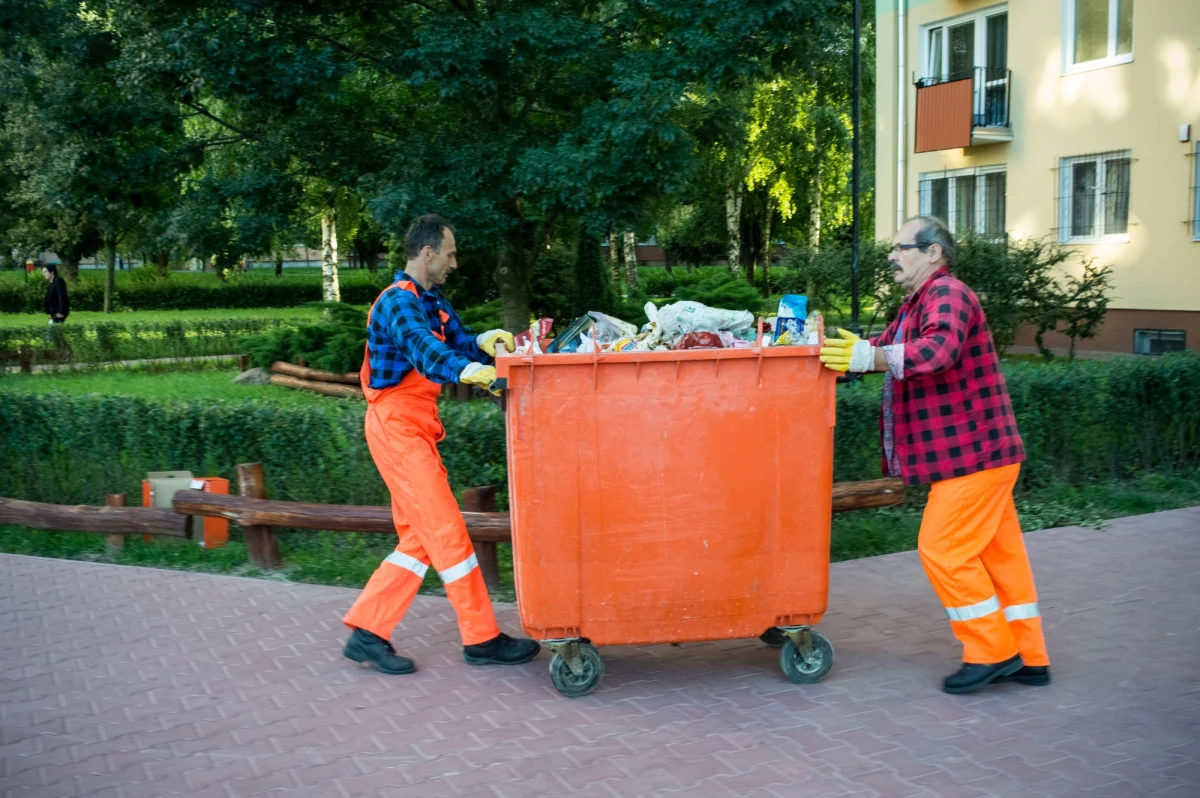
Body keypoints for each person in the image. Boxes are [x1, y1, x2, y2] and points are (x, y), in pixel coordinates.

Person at [818, 216, 1050, 694]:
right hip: (979, 453)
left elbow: (938, 350)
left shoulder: (949, 294)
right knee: (999, 560)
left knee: (942, 549)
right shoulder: (917, 303)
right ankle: (1030, 657)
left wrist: (872, 359)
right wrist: (825, 362)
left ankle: (992, 651)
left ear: (933, 253)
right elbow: (881, 348)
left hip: (974, 456)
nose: (891, 256)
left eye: (901, 247)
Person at [341, 214, 540, 674]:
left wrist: (483, 345)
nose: (455, 261)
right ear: (427, 253)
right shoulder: (398, 303)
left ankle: (367, 633)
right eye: (450, 253)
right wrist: (467, 372)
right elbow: (424, 350)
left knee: (419, 540)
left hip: (412, 427)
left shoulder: (432, 301)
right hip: (396, 428)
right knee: (447, 531)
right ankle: (482, 638)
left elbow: (456, 344)